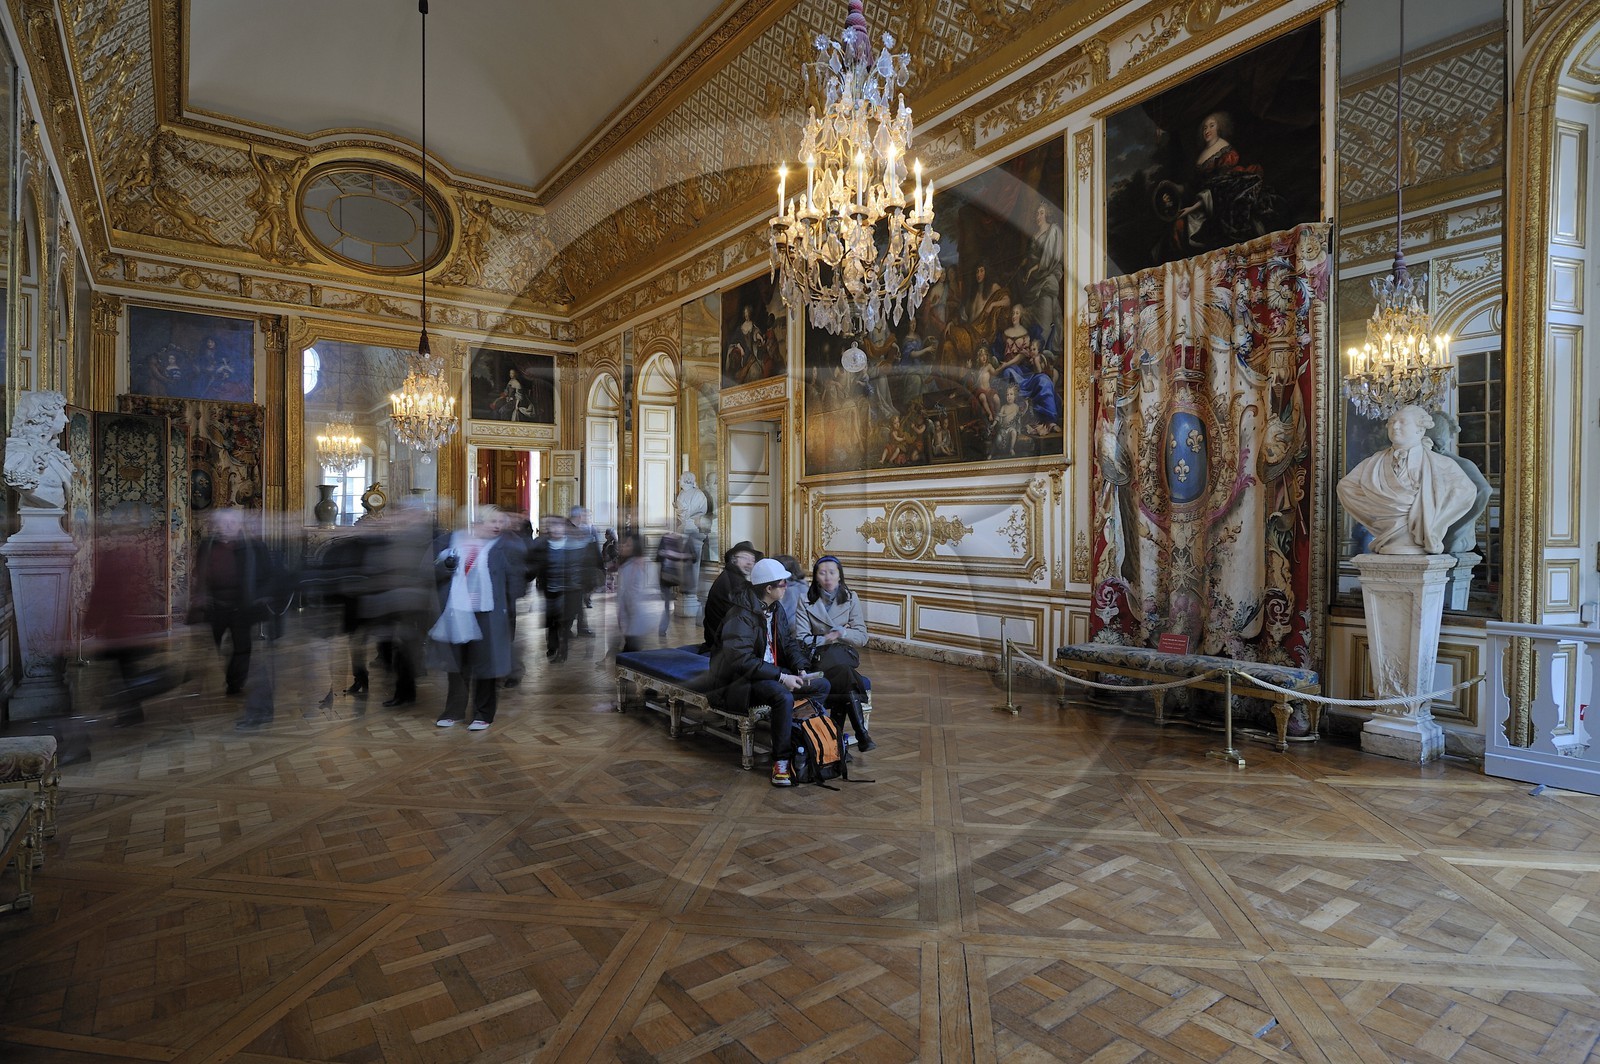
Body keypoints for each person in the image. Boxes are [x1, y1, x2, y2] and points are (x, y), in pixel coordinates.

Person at [710, 557, 830, 787]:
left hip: (770, 671)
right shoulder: (740, 615)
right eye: (783, 583)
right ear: (769, 588)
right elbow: (741, 660)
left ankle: (800, 738)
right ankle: (781, 761)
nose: (787, 586)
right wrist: (782, 677)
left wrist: (800, 667)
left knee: (822, 685)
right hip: (739, 680)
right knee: (782, 695)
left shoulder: (775, 608)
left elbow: (789, 643)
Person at [1336, 405, 1480, 555]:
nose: (1395, 426)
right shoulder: (1372, 464)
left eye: (1402, 422)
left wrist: (1440, 515)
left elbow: (1466, 492)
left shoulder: (1443, 465)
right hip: (1388, 537)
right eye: (1391, 422)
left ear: (1420, 429)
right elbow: (1346, 487)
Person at [429, 506, 520, 730]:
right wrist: (446, 567)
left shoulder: (504, 547)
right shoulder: (451, 541)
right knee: (458, 665)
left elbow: (515, 580)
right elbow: (431, 572)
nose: (498, 526)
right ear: (477, 523)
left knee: (485, 665)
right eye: (493, 521)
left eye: (501, 521)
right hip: (457, 611)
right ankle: (454, 711)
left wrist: (507, 611)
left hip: (488, 614)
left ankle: (483, 714)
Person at [85, 503, 175, 727]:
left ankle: (129, 711)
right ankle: (130, 710)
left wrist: (89, 622)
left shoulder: (112, 559)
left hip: (121, 630)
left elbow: (102, 594)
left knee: (125, 672)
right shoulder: (137, 557)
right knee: (126, 671)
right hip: (132, 627)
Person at [192, 508, 284, 700]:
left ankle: (235, 683)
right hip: (214, 605)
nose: (227, 526)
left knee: (242, 647)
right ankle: (199, 680)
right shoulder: (207, 546)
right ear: (216, 525)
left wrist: (262, 596)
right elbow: (199, 572)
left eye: (232, 522)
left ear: (239, 525)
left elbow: (269, 575)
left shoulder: (255, 547)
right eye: (223, 523)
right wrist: (199, 594)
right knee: (211, 645)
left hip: (242, 606)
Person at [793, 555, 873, 751]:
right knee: (847, 677)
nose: (827, 577)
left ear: (840, 576)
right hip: (818, 660)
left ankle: (837, 740)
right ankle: (860, 735)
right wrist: (828, 637)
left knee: (843, 673)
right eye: (822, 573)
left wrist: (843, 632)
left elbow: (862, 637)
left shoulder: (851, 597)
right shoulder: (805, 600)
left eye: (832, 572)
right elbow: (802, 640)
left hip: (841, 656)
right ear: (816, 577)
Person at [3, 389, 73, 508]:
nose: (66, 420)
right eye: (62, 414)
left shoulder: (54, 454)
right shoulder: (18, 456)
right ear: (45, 417)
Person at [700, 540, 762, 653]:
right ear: (734, 559)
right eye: (745, 558)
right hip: (721, 646)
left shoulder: (731, 576)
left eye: (752, 560)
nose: (749, 563)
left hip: (719, 639)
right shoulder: (735, 583)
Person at [613, 531, 654, 654]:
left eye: (627, 545)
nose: (623, 546)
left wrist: (626, 618)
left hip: (634, 617)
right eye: (623, 544)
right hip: (629, 617)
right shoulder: (628, 565)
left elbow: (634, 594)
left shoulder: (637, 565)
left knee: (631, 652)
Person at [655, 528, 694, 640]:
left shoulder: (679, 540)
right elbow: (659, 557)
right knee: (667, 605)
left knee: (667, 605)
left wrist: (669, 554)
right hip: (667, 577)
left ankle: (662, 630)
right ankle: (662, 629)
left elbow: (686, 556)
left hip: (673, 577)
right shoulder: (673, 540)